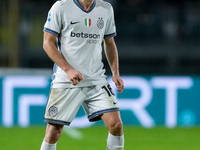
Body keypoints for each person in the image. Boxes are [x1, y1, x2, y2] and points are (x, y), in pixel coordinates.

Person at [40, 0, 124, 150]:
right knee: (53, 132)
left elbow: (109, 42)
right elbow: (47, 43)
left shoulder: (105, 9)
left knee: (116, 125)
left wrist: (115, 73)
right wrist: (68, 69)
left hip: (96, 79)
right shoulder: (61, 7)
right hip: (66, 80)